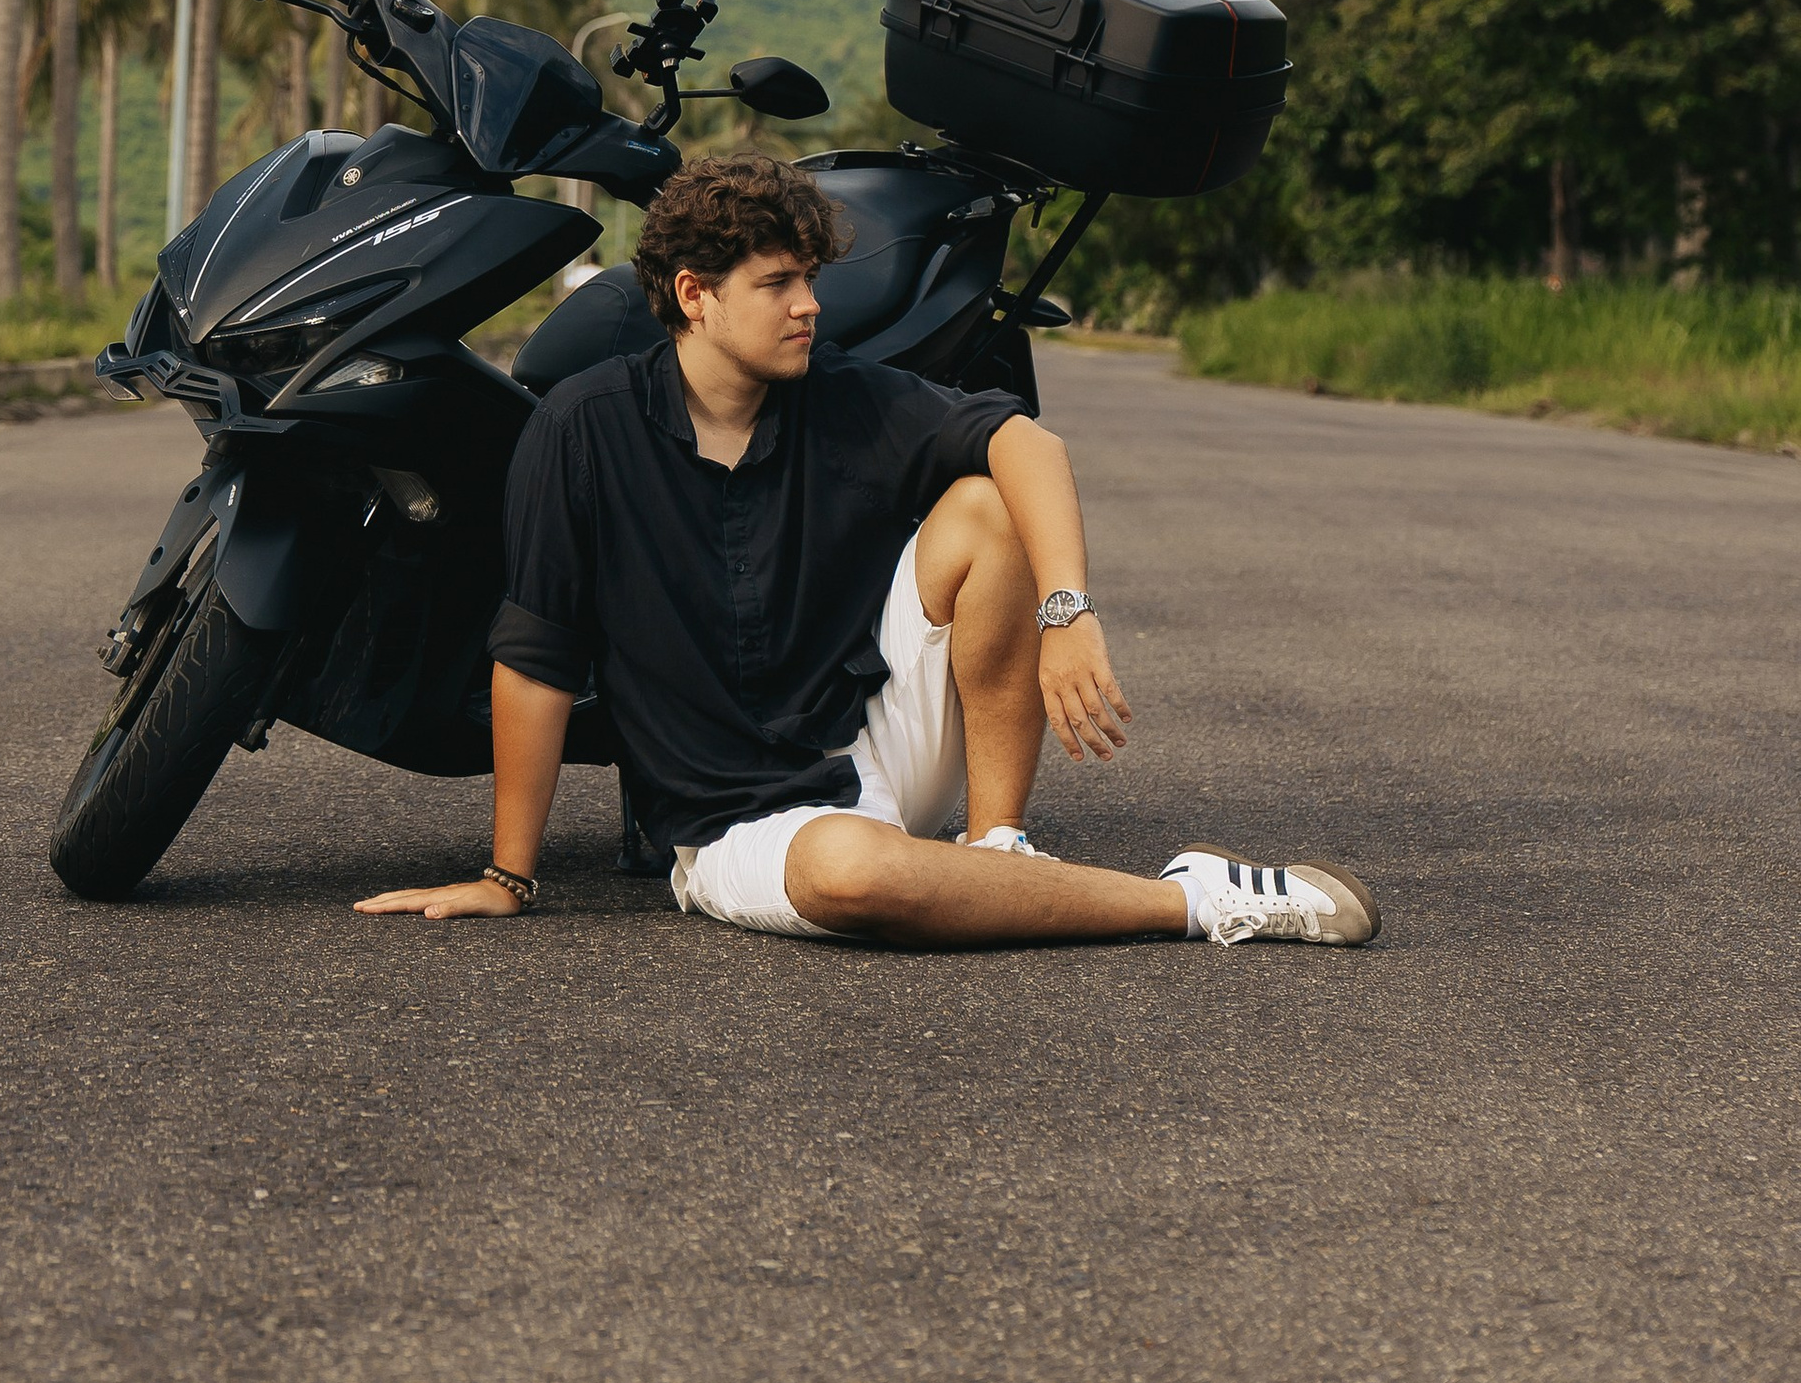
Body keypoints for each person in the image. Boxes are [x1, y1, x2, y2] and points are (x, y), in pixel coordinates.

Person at [356, 156, 1376, 949]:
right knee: (851, 872)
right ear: (694, 293)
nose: (809, 305)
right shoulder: (582, 428)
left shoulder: (841, 393)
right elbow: (534, 658)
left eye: (810, 278)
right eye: (777, 283)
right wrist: (507, 875)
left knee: (983, 503)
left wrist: (1066, 610)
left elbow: (1029, 442)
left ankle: (997, 844)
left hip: (880, 740)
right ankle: (1191, 900)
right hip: (733, 824)